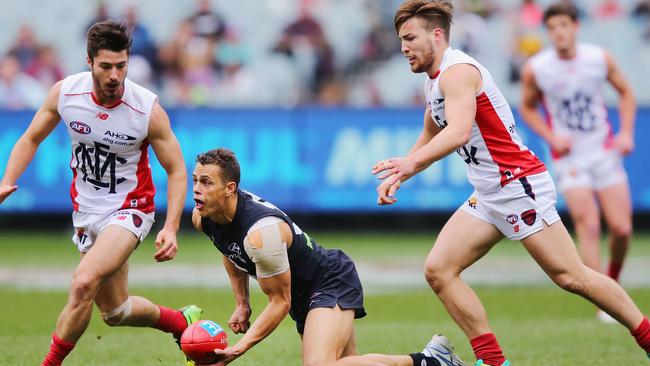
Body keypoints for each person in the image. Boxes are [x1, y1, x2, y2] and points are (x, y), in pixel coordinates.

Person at [372, 1, 650, 365]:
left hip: (518, 185)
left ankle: (646, 335)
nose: (403, 47)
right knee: (439, 270)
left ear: (437, 35)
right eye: (400, 40)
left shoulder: (458, 72)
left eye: (410, 37)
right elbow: (431, 131)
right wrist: (399, 173)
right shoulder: (435, 80)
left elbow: (456, 133)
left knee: (571, 276)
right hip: (490, 194)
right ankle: (493, 361)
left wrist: (410, 165)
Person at [0, 21, 201, 366]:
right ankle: (181, 321)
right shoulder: (66, 93)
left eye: (121, 66)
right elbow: (30, 138)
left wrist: (170, 227)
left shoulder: (146, 110)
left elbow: (177, 170)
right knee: (115, 311)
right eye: (105, 66)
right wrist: (7, 180)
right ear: (89, 61)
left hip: (130, 209)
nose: (114, 75)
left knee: (83, 283)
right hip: (86, 212)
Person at [191, 148, 465, 366]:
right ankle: (430, 361)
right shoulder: (204, 217)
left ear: (230, 188)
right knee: (345, 364)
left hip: (328, 280)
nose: (196, 189)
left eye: (206, 182)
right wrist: (242, 302)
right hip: (304, 293)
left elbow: (279, 302)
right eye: (195, 181)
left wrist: (238, 349)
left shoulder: (261, 234)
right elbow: (228, 249)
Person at [519, 3, 636, 323]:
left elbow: (626, 93)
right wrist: (550, 135)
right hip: (569, 158)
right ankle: (604, 304)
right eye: (553, 27)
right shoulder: (538, 68)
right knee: (589, 223)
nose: (559, 33)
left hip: (603, 150)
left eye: (564, 26)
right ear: (548, 32)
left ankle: (611, 280)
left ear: (575, 27)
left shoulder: (598, 58)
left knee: (623, 228)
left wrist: (626, 133)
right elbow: (527, 108)